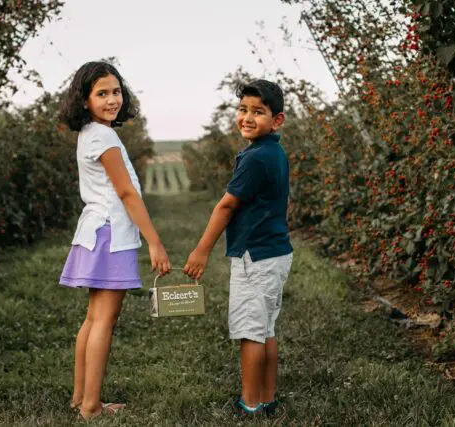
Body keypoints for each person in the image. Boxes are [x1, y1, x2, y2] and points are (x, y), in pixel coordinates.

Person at [58, 61, 171, 420]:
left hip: (96, 229)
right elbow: (126, 192)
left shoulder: (92, 132)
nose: (112, 100)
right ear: (84, 100)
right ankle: (91, 406)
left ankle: (81, 398)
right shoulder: (103, 136)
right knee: (104, 319)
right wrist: (154, 241)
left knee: (93, 318)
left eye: (116, 91)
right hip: (110, 234)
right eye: (102, 93)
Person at [183, 79, 294, 417]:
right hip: (276, 252)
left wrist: (201, 250)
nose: (247, 117)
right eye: (243, 109)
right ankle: (267, 396)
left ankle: (249, 404)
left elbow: (226, 206)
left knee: (250, 332)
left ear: (277, 120)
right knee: (267, 329)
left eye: (257, 112)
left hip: (255, 257)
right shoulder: (275, 152)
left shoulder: (255, 158)